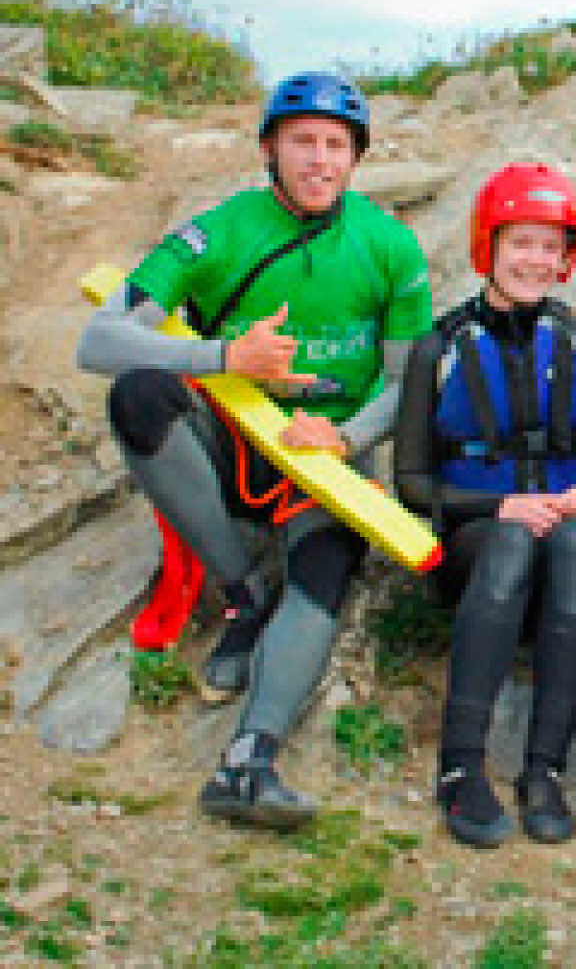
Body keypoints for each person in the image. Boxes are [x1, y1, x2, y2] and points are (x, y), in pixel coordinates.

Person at [76, 72, 433, 829]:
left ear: (356, 159)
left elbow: (409, 382)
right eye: (302, 141)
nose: (319, 160)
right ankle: (240, 593)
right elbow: (99, 339)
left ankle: (247, 762)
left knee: (328, 569)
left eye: (337, 145)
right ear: (270, 147)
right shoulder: (221, 230)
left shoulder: (389, 245)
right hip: (227, 436)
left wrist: (346, 435)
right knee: (138, 393)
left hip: (323, 459)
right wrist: (224, 358)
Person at [392, 162, 576, 849]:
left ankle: (544, 768)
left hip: (571, 537)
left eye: (551, 246)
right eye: (521, 241)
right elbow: (412, 478)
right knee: (514, 543)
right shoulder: (437, 347)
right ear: (488, 246)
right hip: (480, 537)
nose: (536, 259)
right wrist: (498, 507)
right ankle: (460, 764)